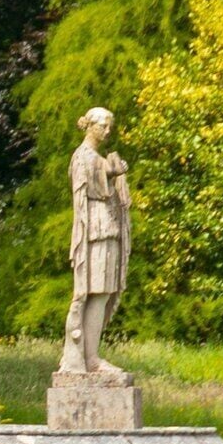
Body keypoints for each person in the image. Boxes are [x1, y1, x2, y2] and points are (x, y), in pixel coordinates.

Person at [62, 107, 134, 376]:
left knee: (103, 293)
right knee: (94, 292)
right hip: (96, 231)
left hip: (107, 228)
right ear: (90, 126)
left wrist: (115, 172)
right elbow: (91, 188)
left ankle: (91, 356)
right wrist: (113, 172)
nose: (107, 131)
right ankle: (88, 359)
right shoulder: (83, 157)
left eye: (109, 126)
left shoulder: (95, 158)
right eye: (102, 126)